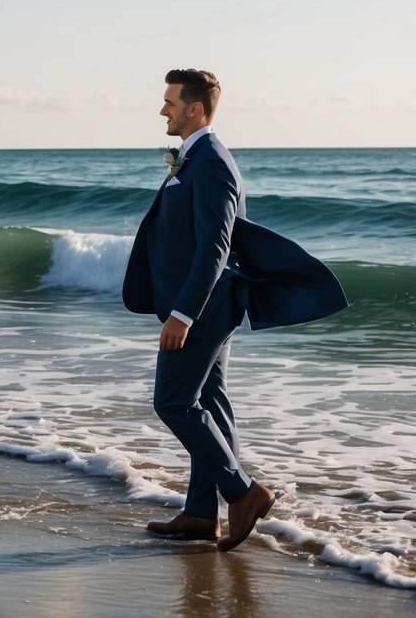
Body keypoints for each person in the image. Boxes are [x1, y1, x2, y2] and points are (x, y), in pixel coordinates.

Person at [123, 69, 347, 551]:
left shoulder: (212, 163)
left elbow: (216, 246)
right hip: (208, 304)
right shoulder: (193, 159)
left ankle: (243, 493)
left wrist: (183, 313)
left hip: (203, 307)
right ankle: (203, 514)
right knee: (209, 402)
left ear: (196, 109)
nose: (163, 109)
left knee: (174, 403)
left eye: (170, 102)